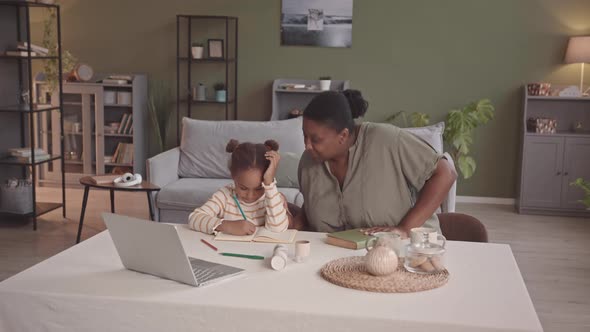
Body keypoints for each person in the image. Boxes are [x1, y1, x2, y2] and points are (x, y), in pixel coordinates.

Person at [292, 90, 457, 237]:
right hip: (343, 262)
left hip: (412, 252)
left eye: (315, 139)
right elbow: (313, 204)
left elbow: (445, 173)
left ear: (343, 136)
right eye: (304, 136)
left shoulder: (386, 140)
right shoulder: (308, 163)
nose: (307, 146)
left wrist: (404, 229)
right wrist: (292, 226)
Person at [188, 139, 291, 235]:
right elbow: (194, 218)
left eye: (259, 188)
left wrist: (269, 184)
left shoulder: (273, 197)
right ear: (233, 177)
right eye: (243, 188)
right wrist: (227, 226)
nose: (250, 196)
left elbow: (278, 229)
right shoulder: (224, 196)